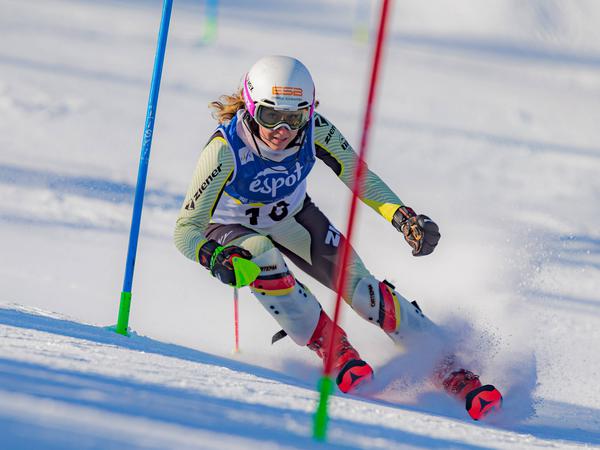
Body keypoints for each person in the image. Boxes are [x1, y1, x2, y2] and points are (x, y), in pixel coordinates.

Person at [174, 55, 501, 420]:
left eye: (294, 118)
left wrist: (402, 217)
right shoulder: (224, 150)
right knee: (261, 255)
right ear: (251, 109)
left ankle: (447, 365)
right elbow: (185, 229)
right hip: (233, 229)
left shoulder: (316, 131)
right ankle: (332, 347)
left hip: (293, 217)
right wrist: (212, 256)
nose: (282, 130)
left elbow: (358, 175)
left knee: (362, 289)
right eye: (270, 117)